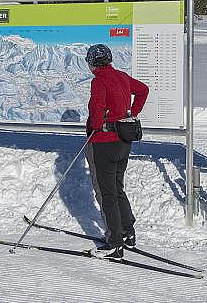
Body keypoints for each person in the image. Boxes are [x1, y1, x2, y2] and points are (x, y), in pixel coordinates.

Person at [84, 43, 149, 260]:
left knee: (108, 194)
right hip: (123, 141)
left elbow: (96, 109)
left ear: (92, 63)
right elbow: (143, 90)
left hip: (104, 142)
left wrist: (96, 125)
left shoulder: (98, 81)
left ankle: (114, 245)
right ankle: (127, 233)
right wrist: (132, 112)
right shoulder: (121, 76)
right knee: (118, 188)